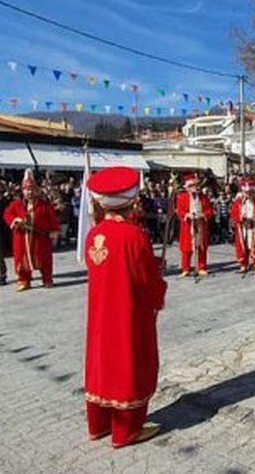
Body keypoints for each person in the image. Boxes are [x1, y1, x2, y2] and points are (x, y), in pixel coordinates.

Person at [82, 166, 167, 449]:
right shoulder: (133, 235)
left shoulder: (94, 234)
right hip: (128, 313)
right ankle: (126, 430)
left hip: (100, 314)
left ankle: (99, 424)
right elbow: (144, 281)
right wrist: (159, 286)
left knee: (102, 363)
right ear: (131, 200)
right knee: (130, 363)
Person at [4, 171, 59, 291]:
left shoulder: (44, 205)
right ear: (23, 191)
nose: (29, 192)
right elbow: (7, 214)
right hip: (21, 237)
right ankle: (24, 280)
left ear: (37, 190)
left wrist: (54, 231)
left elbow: (53, 219)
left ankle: (47, 279)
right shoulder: (16, 204)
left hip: (41, 237)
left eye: (32, 189)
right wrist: (15, 220)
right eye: (27, 190)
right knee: (21, 259)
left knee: (44, 259)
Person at [229, 178, 255, 274]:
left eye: (250, 192)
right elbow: (233, 214)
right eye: (246, 192)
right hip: (242, 227)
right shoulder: (238, 203)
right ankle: (243, 264)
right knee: (243, 246)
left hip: (254, 227)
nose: (248, 194)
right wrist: (240, 219)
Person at [175, 174, 212, 278]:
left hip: (200, 225)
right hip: (188, 226)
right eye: (192, 186)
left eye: (195, 185)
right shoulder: (182, 198)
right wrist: (187, 215)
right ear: (187, 187)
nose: (195, 188)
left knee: (201, 247)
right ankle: (185, 268)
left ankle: (201, 267)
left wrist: (203, 215)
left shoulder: (203, 198)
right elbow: (180, 211)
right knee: (186, 248)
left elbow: (209, 210)